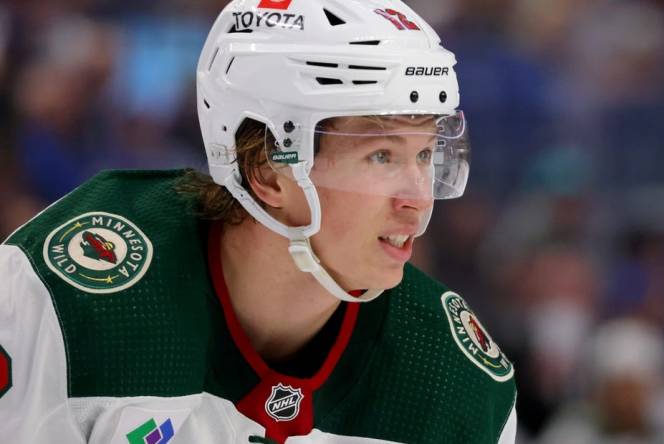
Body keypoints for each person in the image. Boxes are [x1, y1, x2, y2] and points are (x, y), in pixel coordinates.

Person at [0, 1, 517, 443]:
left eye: (426, 155)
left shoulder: (456, 383)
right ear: (267, 170)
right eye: (381, 156)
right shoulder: (70, 298)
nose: (418, 200)